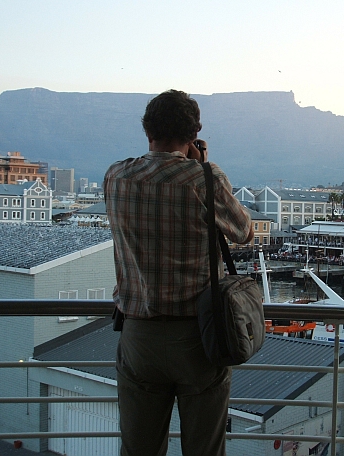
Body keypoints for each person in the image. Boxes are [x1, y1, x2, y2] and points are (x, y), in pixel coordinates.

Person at [104, 89, 253, 455]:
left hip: (139, 334)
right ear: (193, 135)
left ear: (146, 130)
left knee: (139, 448)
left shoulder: (116, 177)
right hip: (199, 337)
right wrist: (203, 165)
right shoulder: (204, 177)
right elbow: (244, 232)